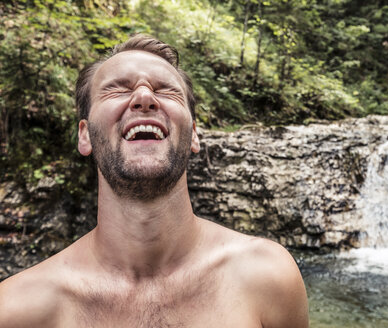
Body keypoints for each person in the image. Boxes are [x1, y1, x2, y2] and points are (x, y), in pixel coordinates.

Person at [0, 35, 309, 328]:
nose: (145, 97)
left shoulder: (268, 276)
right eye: (117, 89)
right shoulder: (17, 309)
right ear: (85, 134)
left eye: (165, 90)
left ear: (194, 134)